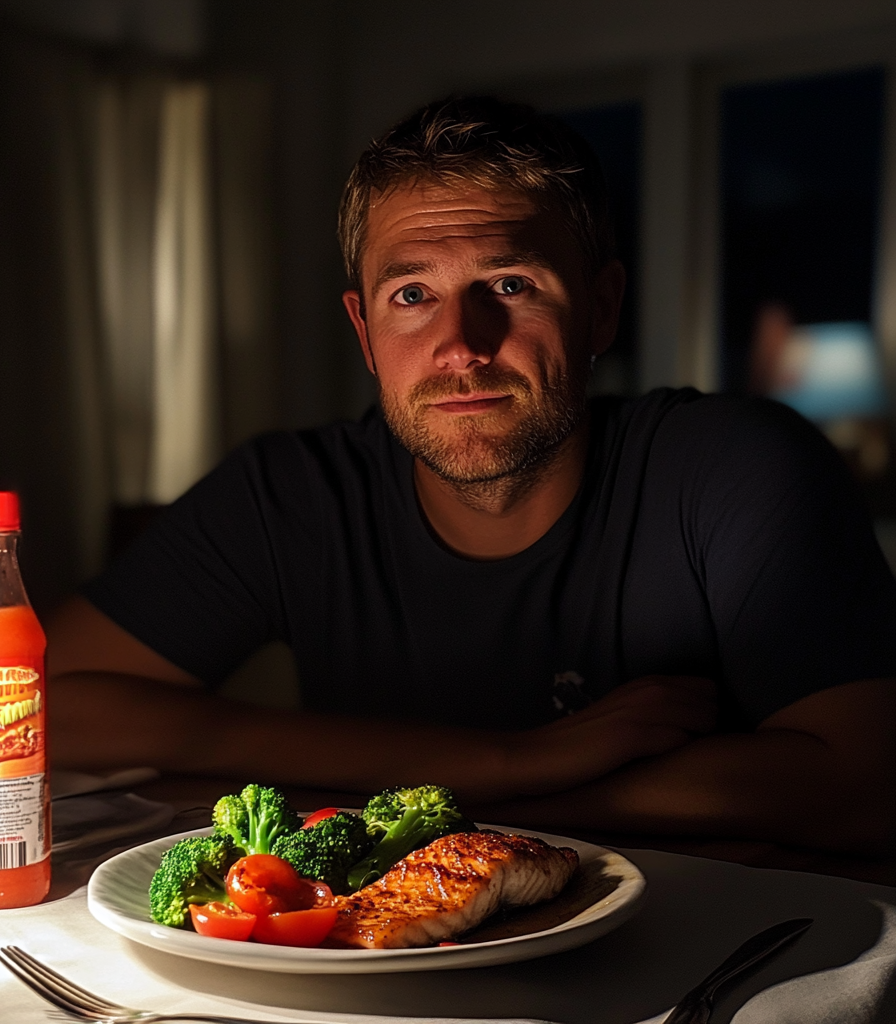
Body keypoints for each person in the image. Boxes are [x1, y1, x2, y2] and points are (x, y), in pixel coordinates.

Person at [47, 97, 895, 856]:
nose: (462, 345)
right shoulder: (291, 494)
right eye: (412, 294)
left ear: (600, 308)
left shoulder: (736, 469)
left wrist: (458, 796)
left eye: (511, 284)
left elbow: (866, 789)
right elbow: (27, 709)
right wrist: (497, 760)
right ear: (364, 331)